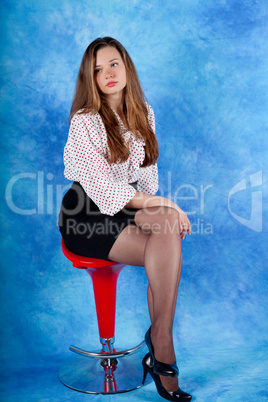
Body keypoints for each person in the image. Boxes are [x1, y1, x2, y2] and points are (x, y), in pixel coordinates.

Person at [58, 37, 192, 401]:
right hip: (85, 215)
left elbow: (147, 179)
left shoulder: (143, 113)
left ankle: (160, 336)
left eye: (113, 64)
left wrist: (163, 209)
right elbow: (102, 191)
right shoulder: (84, 122)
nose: (107, 74)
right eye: (98, 70)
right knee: (166, 218)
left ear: (126, 65)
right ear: (91, 79)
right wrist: (166, 205)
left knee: (166, 225)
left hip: (126, 207)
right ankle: (162, 346)